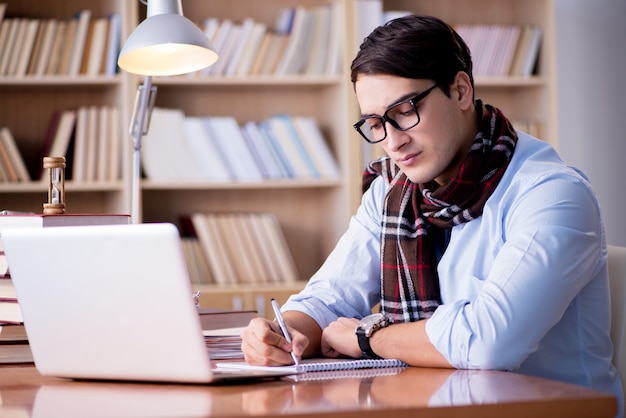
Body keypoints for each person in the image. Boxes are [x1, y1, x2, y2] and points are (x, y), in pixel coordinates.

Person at [241, 14, 623, 411]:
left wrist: (369, 336)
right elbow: (330, 297)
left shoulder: (553, 194)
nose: (392, 140)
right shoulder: (392, 193)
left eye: (404, 111)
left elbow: (488, 342)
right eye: (375, 124)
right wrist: (284, 335)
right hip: (430, 405)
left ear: (460, 90)